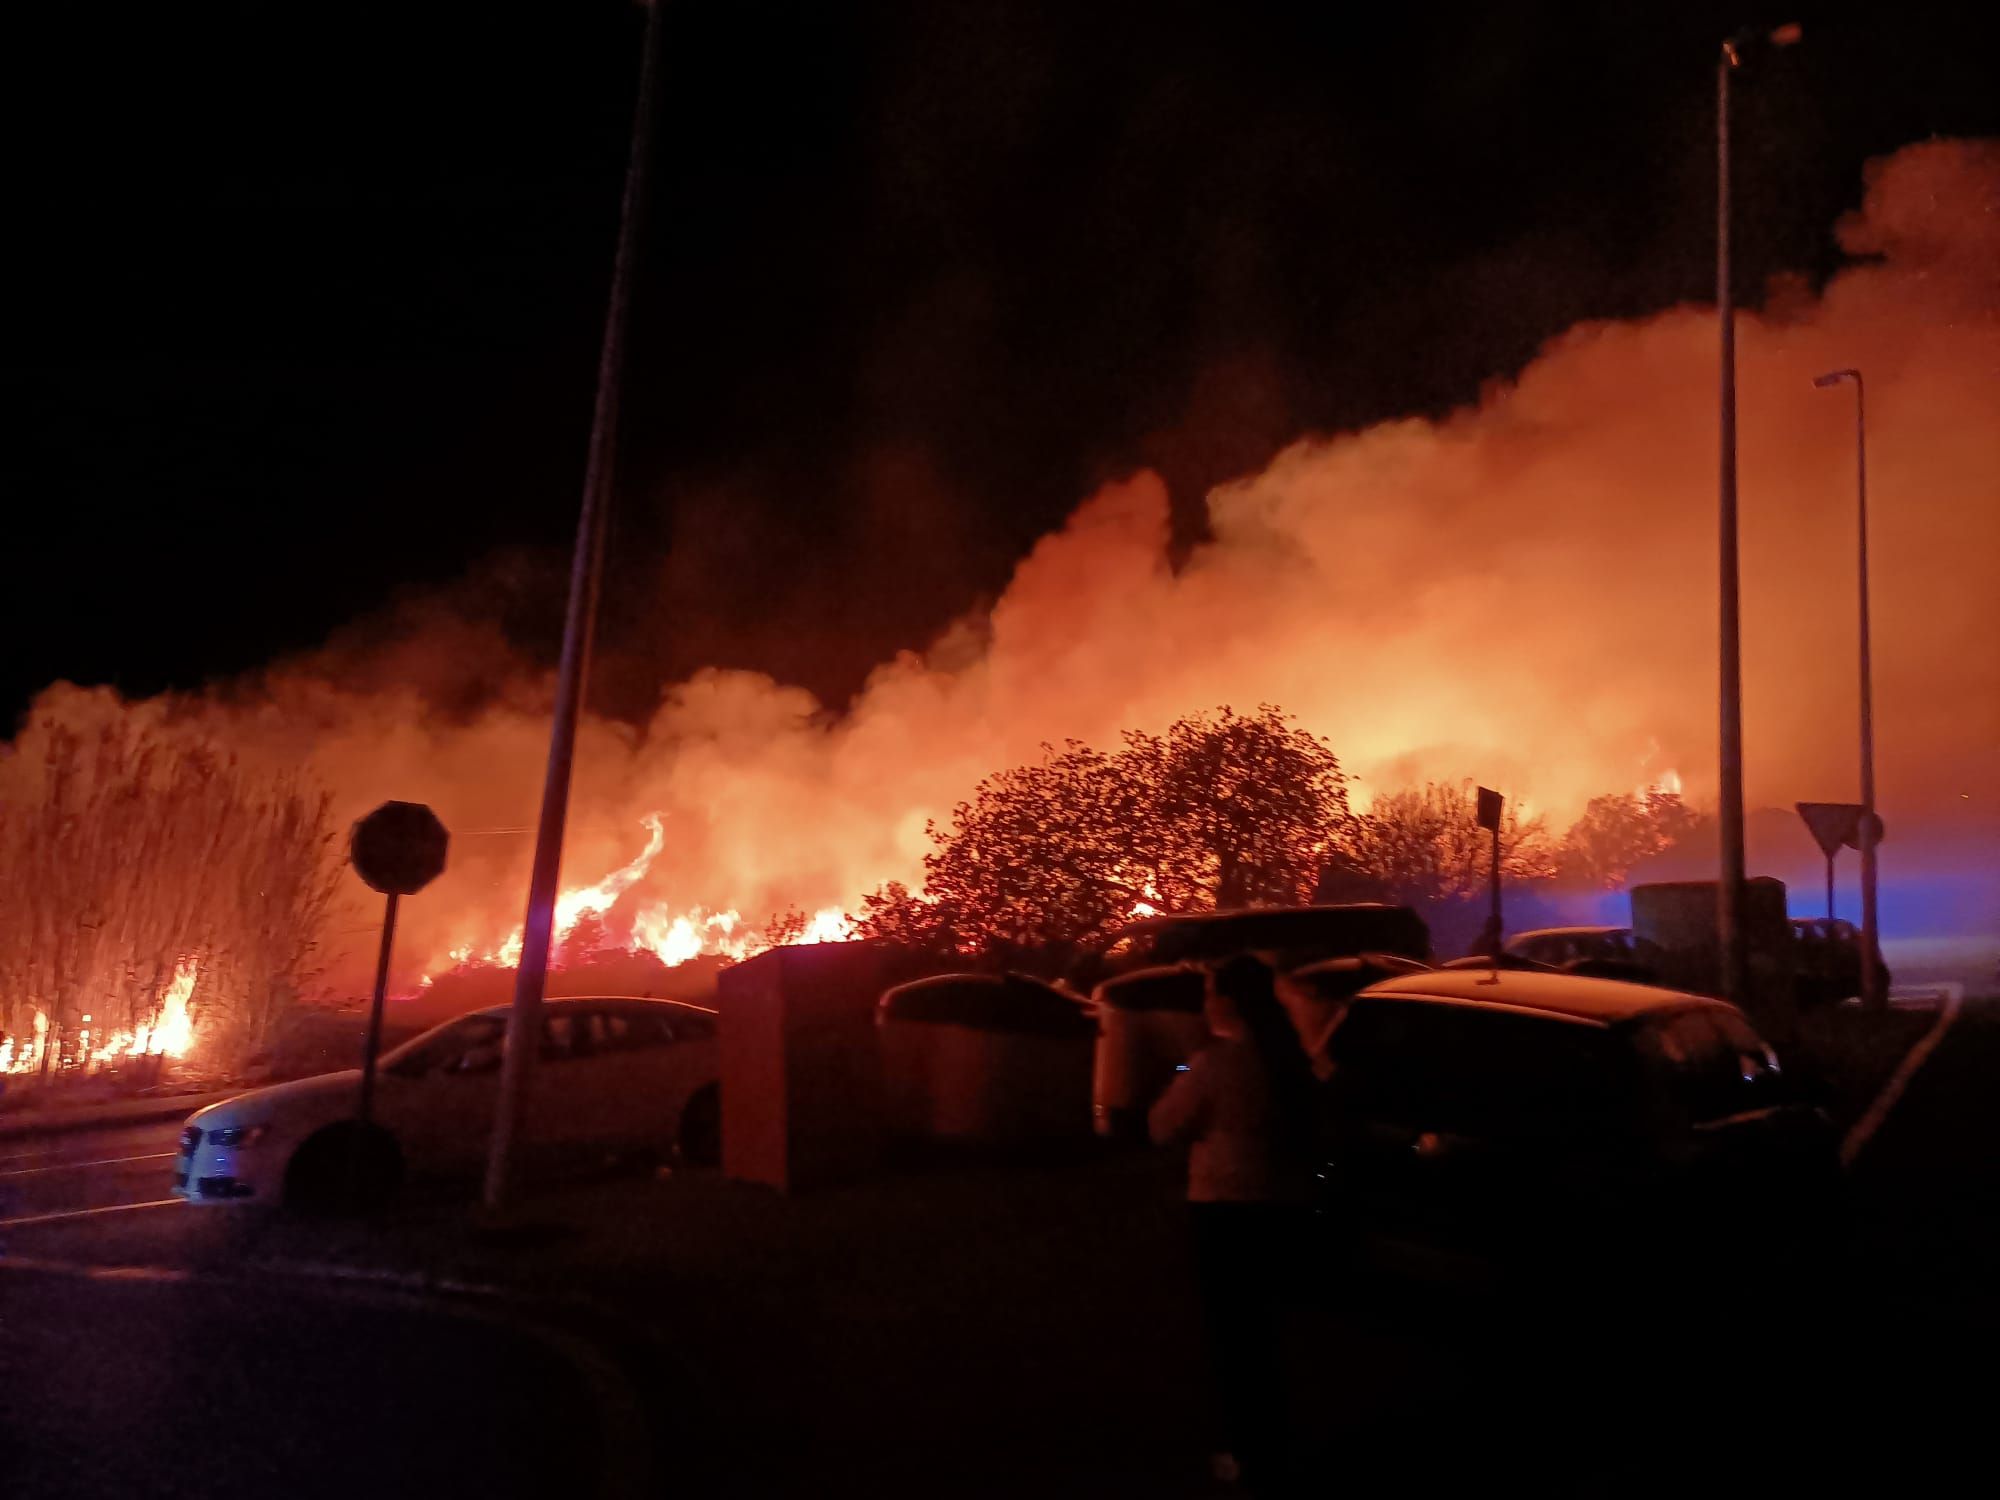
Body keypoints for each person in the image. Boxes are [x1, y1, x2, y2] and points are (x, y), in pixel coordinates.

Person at [1149, 952, 1318, 1493]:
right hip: (1273, 1203)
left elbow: (1162, 1126)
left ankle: (1246, 1455)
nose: (1204, 1003)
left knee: (1232, 1337)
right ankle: (1273, 1442)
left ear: (1225, 1001)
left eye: (1209, 993)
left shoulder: (1214, 1063)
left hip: (1222, 1208)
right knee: (1262, 1331)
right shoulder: (1284, 1056)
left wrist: (1182, 1065)